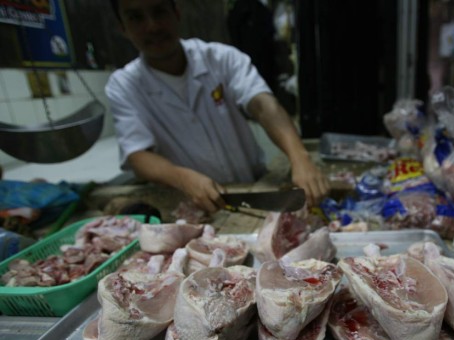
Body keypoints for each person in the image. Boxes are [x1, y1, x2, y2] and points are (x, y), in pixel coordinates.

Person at [106, 0, 329, 213]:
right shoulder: (123, 85)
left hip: (254, 186)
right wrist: (183, 178)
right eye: (136, 17)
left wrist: (299, 157)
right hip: (193, 203)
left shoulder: (222, 58)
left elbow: (262, 105)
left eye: (159, 12)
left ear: (176, 13)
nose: (152, 26)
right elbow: (137, 155)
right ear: (122, 27)